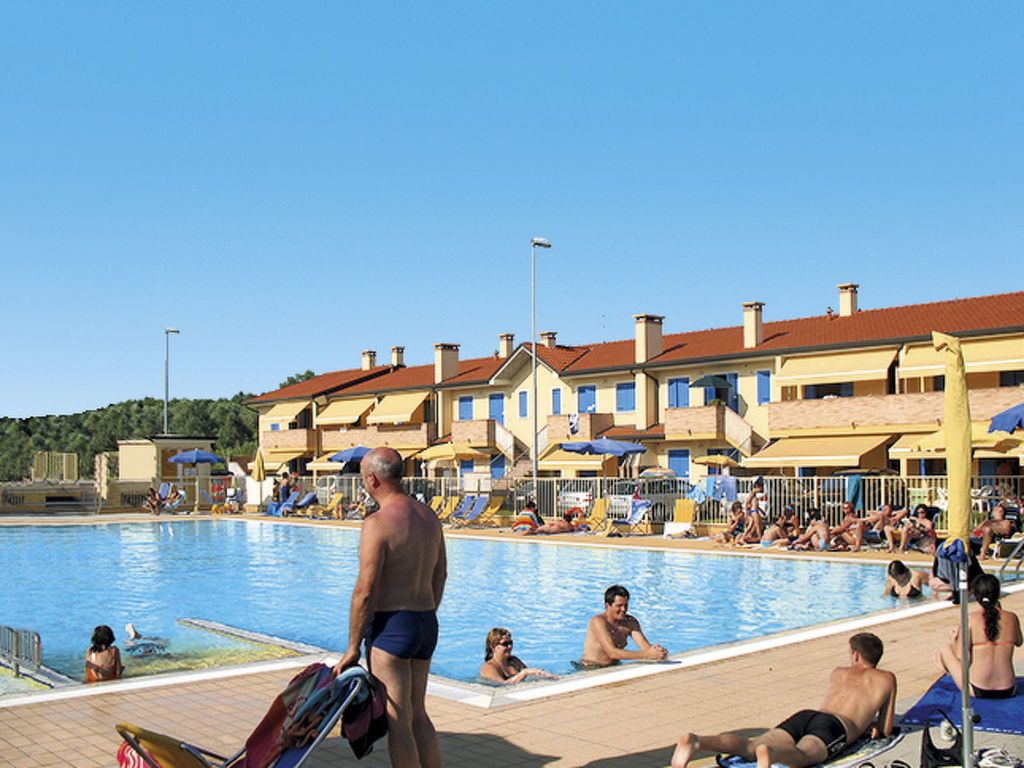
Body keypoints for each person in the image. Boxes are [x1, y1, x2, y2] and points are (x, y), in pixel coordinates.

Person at [333, 447, 446, 768]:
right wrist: (427, 610)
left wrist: (353, 646)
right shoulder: (429, 517)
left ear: (372, 479)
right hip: (425, 621)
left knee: (399, 721)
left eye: (362, 478)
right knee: (418, 714)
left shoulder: (378, 523)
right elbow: (441, 574)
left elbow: (365, 591)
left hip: (392, 626)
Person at [671, 632, 897, 768]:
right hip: (835, 727)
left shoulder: (839, 672)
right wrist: (867, 725)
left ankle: (698, 742)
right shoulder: (886, 678)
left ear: (855, 655)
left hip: (807, 716)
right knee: (803, 755)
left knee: (752, 746)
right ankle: (772, 755)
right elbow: (886, 728)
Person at [934, 573, 1022, 698]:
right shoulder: (1012, 617)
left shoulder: (971, 619)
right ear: (998, 594)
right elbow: (1019, 641)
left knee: (945, 649)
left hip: (978, 689)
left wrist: (955, 640)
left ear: (976, 595)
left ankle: (947, 671)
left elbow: (960, 657)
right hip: (1009, 689)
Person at [580, 585, 667, 667]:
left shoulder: (630, 622)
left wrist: (658, 652)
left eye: (626, 605)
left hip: (614, 666)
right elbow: (612, 653)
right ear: (608, 606)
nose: (624, 609)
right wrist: (646, 654)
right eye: (619, 606)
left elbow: (645, 648)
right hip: (591, 667)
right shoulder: (598, 621)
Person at [479, 628, 560, 684]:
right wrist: (523, 673)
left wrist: (551, 677)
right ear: (493, 647)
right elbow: (502, 686)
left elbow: (532, 675)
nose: (509, 647)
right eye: (505, 644)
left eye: (510, 643)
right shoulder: (488, 668)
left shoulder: (514, 661)